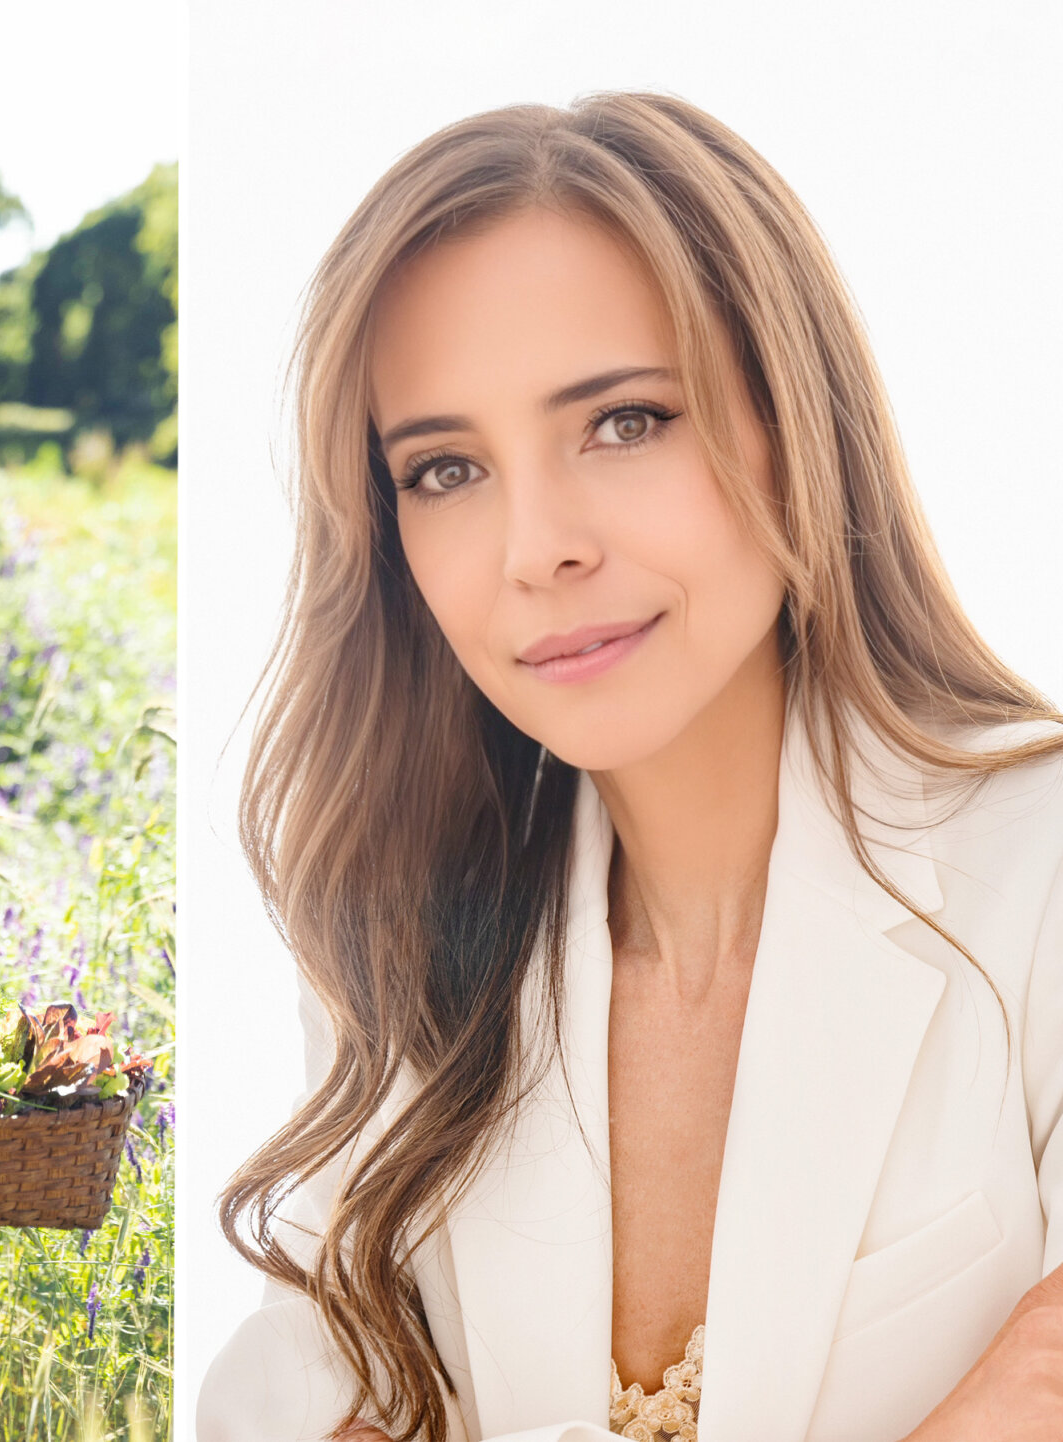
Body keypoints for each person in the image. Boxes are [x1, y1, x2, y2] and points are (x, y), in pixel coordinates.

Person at [199, 93, 1063, 1442]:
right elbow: (283, 1400)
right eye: (443, 469)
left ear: (793, 417)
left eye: (623, 422)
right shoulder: (401, 945)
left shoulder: (1039, 870)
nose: (535, 545)